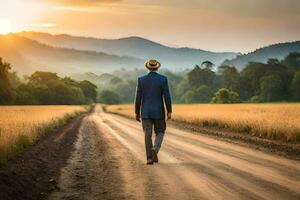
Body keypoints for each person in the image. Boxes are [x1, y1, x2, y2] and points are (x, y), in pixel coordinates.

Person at [135, 59, 172, 165]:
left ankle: (149, 158)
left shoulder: (141, 80)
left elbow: (138, 98)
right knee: (160, 131)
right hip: (159, 111)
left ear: (148, 67)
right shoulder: (163, 79)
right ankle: (155, 149)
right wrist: (169, 111)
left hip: (146, 112)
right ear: (157, 67)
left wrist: (137, 112)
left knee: (147, 134)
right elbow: (167, 96)